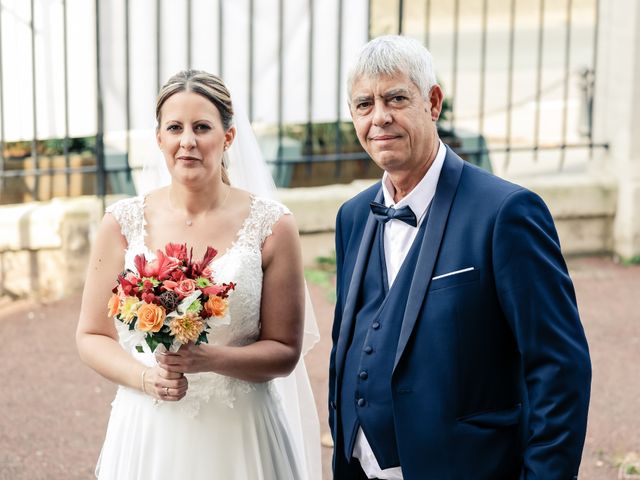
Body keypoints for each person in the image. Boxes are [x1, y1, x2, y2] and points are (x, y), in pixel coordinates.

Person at [329, 35, 591, 480]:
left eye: (396, 98)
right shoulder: (353, 216)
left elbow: (559, 369)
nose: (380, 118)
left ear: (433, 103)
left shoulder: (505, 213)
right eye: (364, 104)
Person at [76, 69, 321, 480]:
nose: (187, 141)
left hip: (241, 433)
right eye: (175, 128)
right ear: (159, 139)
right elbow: (91, 335)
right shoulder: (122, 222)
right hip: (149, 427)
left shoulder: (272, 225)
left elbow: (284, 350)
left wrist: (208, 358)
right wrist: (145, 377)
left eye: (202, 127)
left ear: (228, 137)